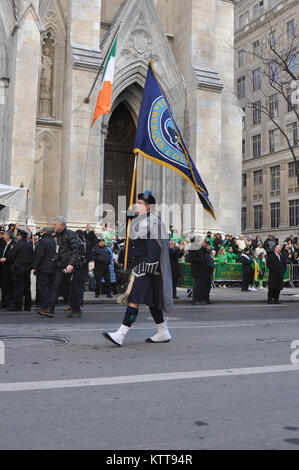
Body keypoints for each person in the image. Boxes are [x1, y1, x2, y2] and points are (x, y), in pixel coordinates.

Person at [103, 190, 173, 347]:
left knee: (133, 299)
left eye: (140, 203)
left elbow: (157, 244)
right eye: (137, 202)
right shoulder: (135, 220)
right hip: (138, 265)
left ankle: (120, 335)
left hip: (146, 266)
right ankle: (163, 332)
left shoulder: (154, 221)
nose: (137, 205)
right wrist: (128, 217)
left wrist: (150, 263)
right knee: (152, 302)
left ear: (148, 207)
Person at [38, 217, 81, 318]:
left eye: (55, 225)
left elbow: (75, 250)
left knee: (72, 288)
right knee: (55, 286)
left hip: (69, 266)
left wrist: (71, 264)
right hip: (61, 265)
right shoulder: (58, 235)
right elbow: (61, 250)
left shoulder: (69, 234)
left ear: (61, 225)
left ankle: (76, 309)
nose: (53, 226)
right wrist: (56, 258)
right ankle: (50, 309)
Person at [6, 229, 33, 311]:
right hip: (27, 269)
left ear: (20, 236)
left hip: (18, 269)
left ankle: (17, 305)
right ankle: (28, 306)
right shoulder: (29, 245)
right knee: (27, 287)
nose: (16, 237)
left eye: (17, 235)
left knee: (18, 287)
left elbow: (11, 257)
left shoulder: (17, 245)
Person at [33, 227, 56, 313]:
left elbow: (39, 255)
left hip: (43, 268)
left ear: (44, 232)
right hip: (51, 268)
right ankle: (48, 306)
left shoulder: (43, 241)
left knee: (43, 288)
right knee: (49, 288)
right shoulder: (52, 241)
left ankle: (45, 306)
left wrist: (35, 266)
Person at [189, 239, 215, 305]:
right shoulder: (193, 249)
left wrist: (208, 250)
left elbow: (205, 255)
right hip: (197, 270)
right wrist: (201, 259)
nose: (204, 244)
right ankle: (195, 300)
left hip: (204, 270)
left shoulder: (202, 249)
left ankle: (203, 299)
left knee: (203, 286)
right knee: (197, 286)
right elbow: (191, 259)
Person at [0, 230, 15, 308]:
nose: (3, 236)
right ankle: (4, 302)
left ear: (8, 236)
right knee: (3, 285)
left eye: (4, 235)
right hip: (3, 268)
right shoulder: (4, 244)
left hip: (10, 268)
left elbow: (13, 256)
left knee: (9, 286)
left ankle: (10, 302)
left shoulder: (14, 244)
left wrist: (6, 259)